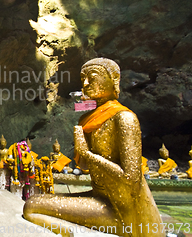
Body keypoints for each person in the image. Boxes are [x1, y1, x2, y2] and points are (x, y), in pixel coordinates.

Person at [23, 58, 163, 237]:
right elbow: (85, 168)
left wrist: (88, 154)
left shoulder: (124, 118)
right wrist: (81, 150)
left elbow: (131, 178)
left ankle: (71, 233)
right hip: (100, 197)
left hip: (121, 209)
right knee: (36, 201)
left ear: (113, 80)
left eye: (93, 77)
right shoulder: (90, 120)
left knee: (32, 207)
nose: (86, 83)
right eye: (83, 79)